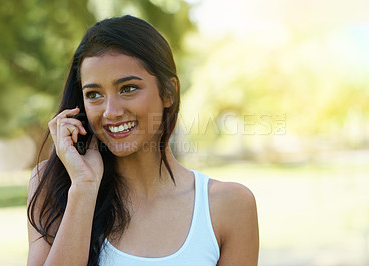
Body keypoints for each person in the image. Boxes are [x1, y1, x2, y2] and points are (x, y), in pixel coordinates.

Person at [27, 15, 259, 266]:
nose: (110, 111)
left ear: (169, 92)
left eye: (127, 88)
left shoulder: (230, 205)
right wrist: (83, 188)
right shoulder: (55, 186)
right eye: (93, 94)